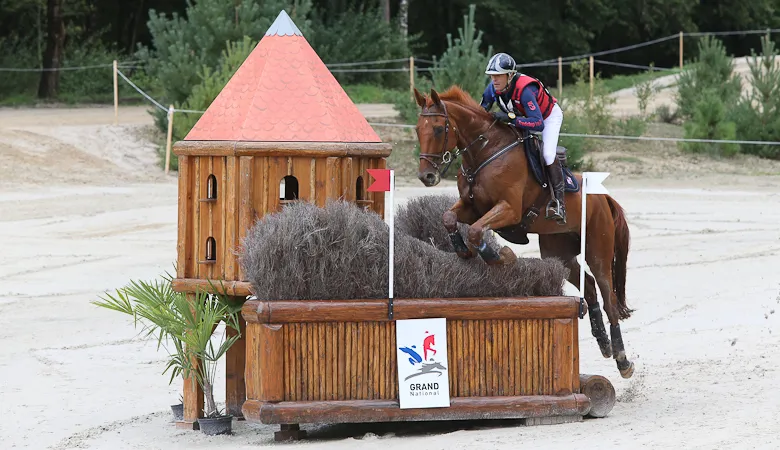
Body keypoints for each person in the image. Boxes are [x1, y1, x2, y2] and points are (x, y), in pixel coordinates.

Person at [479, 52, 567, 224]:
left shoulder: (526, 91)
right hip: (522, 118)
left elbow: (538, 124)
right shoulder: (492, 90)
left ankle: (559, 203)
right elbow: (480, 113)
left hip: (548, 117)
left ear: (510, 75)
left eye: (498, 76)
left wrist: (511, 119)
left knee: (548, 154)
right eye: (492, 76)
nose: (494, 80)